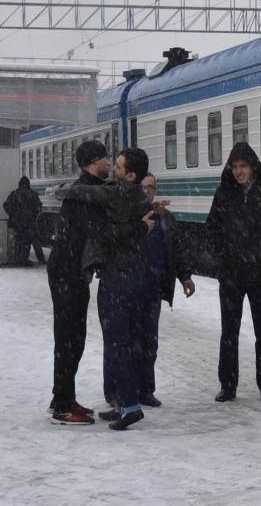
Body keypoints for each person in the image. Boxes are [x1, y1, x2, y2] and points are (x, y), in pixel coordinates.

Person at [58, 147, 156, 431]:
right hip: (130, 273)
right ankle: (122, 402)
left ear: (131, 175)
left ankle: (129, 405)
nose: (114, 168)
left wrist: (62, 192)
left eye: (120, 166)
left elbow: (88, 193)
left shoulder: (120, 193)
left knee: (118, 341)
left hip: (118, 276)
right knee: (121, 340)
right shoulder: (136, 193)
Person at [206, 142, 261, 404]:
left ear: (253, 167)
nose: (238, 172)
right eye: (234, 167)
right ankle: (227, 385)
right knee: (229, 332)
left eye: (243, 166)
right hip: (232, 275)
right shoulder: (223, 194)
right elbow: (211, 229)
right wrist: (224, 254)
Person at [104, 173, 195, 408]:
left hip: (152, 289)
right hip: (127, 287)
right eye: (143, 188)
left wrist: (184, 276)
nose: (147, 192)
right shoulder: (127, 216)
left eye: (151, 188)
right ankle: (118, 392)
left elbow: (176, 249)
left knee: (149, 342)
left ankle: (146, 389)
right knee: (124, 342)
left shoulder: (166, 219)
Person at [45, 141, 109, 425]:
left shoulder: (85, 190)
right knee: (68, 338)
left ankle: (64, 397)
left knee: (75, 338)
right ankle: (61, 405)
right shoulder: (84, 193)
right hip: (67, 272)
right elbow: (98, 230)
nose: (109, 164)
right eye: (106, 159)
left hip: (71, 271)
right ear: (95, 161)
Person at [3, 176, 45, 265]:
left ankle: (20, 259)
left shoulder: (14, 194)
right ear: (28, 184)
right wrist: (34, 215)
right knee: (34, 241)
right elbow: (39, 207)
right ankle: (40, 259)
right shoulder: (33, 194)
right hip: (30, 223)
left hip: (18, 222)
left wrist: (13, 214)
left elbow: (6, 205)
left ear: (20, 184)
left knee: (19, 241)